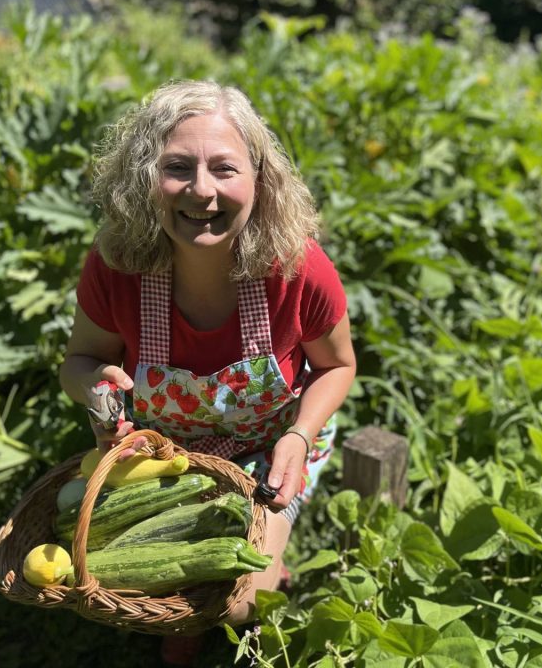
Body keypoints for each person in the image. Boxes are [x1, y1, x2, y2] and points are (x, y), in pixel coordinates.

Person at [58, 79, 356, 665]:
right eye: (177, 167)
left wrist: (297, 436)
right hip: (164, 459)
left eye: (225, 168)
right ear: (144, 178)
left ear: (258, 180)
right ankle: (189, 626)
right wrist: (97, 389)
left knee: (241, 601)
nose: (202, 190)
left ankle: (251, 587)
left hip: (271, 454)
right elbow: (80, 361)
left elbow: (338, 366)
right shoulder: (116, 264)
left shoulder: (297, 267)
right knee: (140, 586)